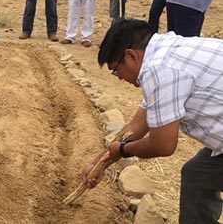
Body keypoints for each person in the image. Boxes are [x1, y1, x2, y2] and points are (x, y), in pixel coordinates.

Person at [82, 19, 223, 224]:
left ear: (131, 55)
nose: (119, 77)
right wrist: (97, 165)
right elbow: (136, 127)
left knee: (197, 177)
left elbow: (163, 145)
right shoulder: (165, 51)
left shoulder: (158, 71)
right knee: (197, 176)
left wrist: (123, 150)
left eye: (115, 70)